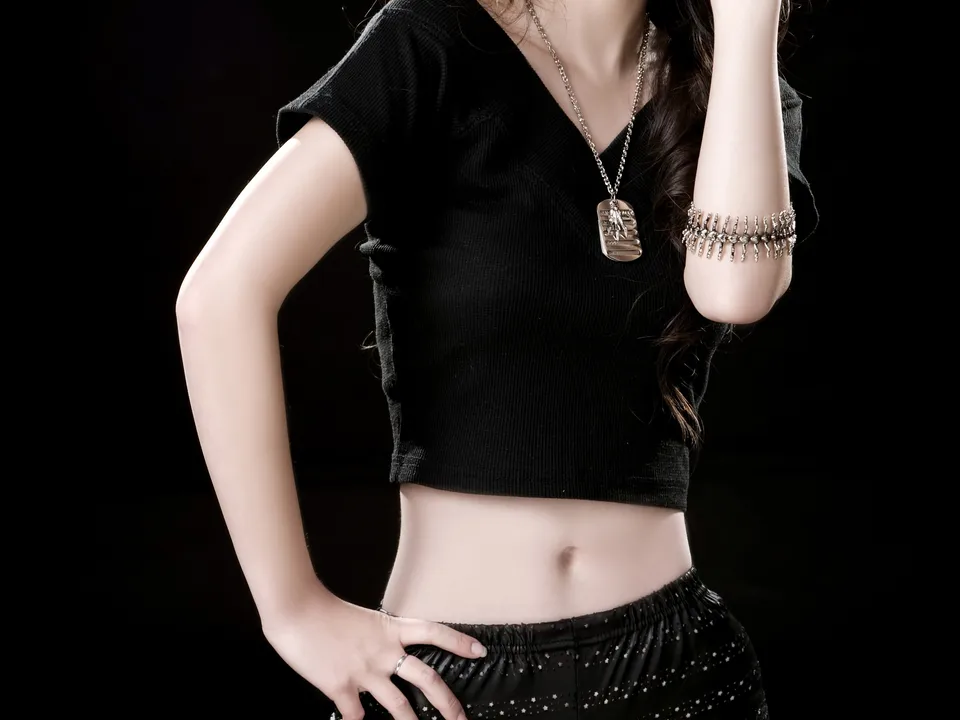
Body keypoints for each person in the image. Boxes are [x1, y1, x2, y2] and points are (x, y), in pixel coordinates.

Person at [176, 0, 817, 717]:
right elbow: (219, 296)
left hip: (678, 670)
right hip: (457, 677)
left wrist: (749, 22)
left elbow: (734, 292)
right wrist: (292, 609)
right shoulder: (433, 42)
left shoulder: (736, 90)